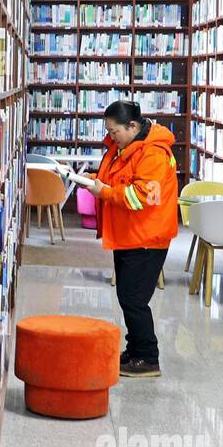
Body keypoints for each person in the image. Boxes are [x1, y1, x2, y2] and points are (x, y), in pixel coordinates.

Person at [81, 100, 178, 377]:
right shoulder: (124, 147)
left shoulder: (154, 154)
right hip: (128, 233)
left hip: (147, 237)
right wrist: (91, 180)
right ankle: (134, 350)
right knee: (127, 296)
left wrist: (104, 193)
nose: (111, 137)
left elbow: (141, 197)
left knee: (133, 299)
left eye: (115, 132)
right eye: (109, 132)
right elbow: (117, 179)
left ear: (132, 126)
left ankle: (148, 357)